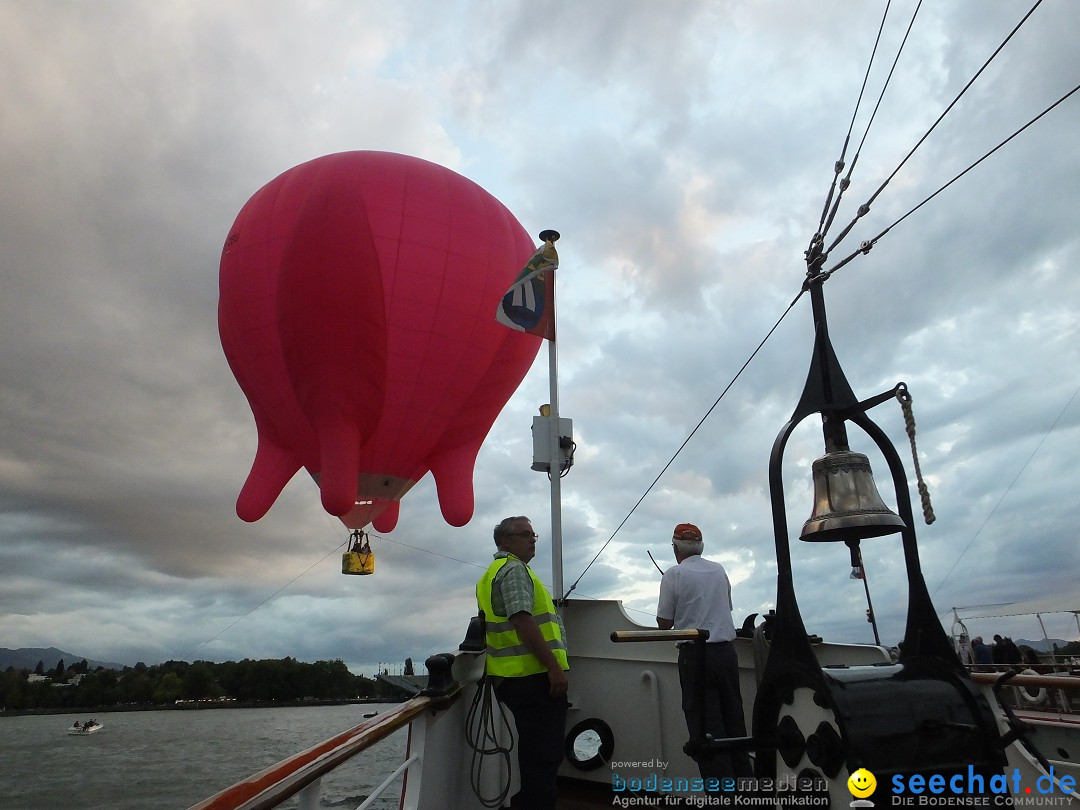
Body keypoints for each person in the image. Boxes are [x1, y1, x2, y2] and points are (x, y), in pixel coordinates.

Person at [476, 516, 569, 810]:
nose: (532, 540)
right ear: (505, 541)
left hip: (513, 679)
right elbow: (522, 620)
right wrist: (553, 668)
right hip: (533, 678)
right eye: (525, 535)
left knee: (534, 755)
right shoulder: (514, 570)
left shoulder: (492, 573)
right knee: (545, 756)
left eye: (533, 535)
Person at [656, 522, 752, 779]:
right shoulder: (719, 571)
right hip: (726, 655)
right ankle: (747, 794)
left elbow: (664, 624)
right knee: (735, 723)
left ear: (675, 548)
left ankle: (723, 800)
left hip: (696, 659)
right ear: (701, 546)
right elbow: (725, 610)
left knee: (706, 731)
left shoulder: (673, 575)